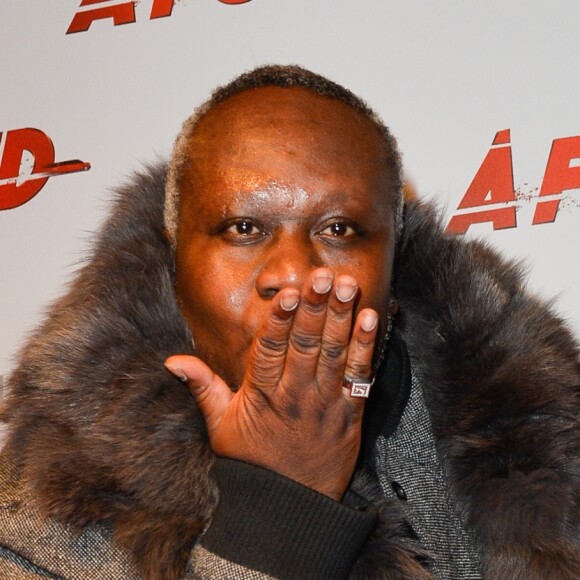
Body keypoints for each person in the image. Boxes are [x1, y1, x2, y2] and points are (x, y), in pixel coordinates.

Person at [0, 65, 578, 580]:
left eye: (339, 230)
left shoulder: (543, 436)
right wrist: (282, 508)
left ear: (394, 265)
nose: (296, 276)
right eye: (244, 230)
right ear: (174, 265)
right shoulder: (44, 514)